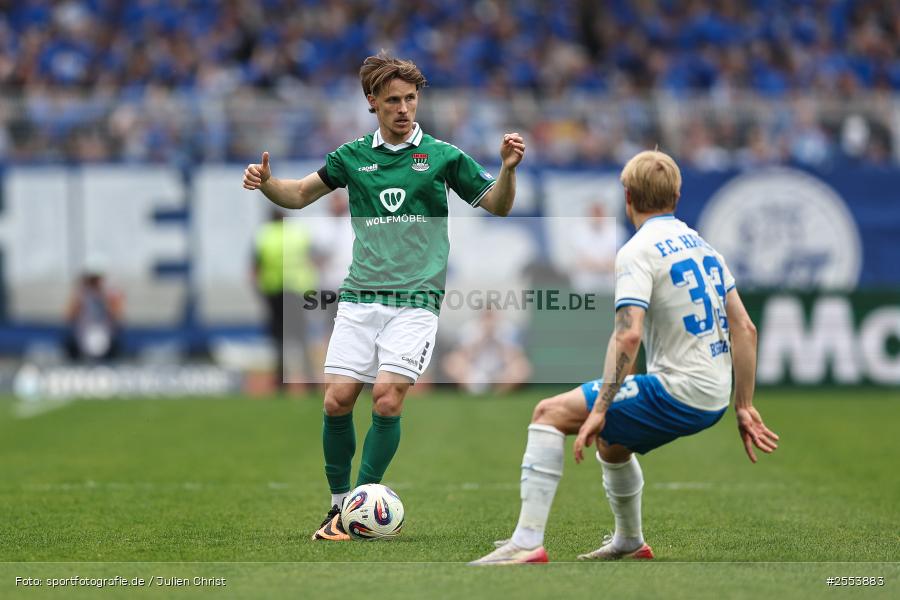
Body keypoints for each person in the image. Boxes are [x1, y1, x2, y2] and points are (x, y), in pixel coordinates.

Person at [242, 53, 525, 541]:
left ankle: (359, 505)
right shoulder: (351, 156)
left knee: (388, 398)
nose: (404, 108)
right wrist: (267, 184)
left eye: (411, 99)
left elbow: (497, 205)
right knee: (336, 401)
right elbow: (297, 195)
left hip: (416, 301)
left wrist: (507, 169)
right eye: (393, 100)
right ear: (372, 102)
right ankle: (337, 506)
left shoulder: (442, 156)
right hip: (359, 299)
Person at [471, 150, 778, 565]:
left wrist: (600, 406)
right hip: (714, 394)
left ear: (627, 197)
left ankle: (526, 541)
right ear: (678, 194)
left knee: (547, 413)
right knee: (613, 445)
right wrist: (743, 405)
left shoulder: (637, 251)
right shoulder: (705, 248)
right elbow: (745, 328)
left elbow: (629, 334)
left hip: (680, 390)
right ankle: (630, 541)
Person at [252, 208, 318, 392]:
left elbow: (255, 268)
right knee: (301, 337)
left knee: (279, 338)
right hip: (297, 292)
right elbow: (312, 260)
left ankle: (281, 381)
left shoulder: (263, 236)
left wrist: (260, 292)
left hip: (273, 292)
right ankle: (310, 381)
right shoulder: (298, 234)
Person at [442, 309, 532, 394]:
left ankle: (501, 390)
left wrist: (496, 340)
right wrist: (482, 338)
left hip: (501, 371)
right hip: (475, 370)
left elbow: (514, 356)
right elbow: (462, 355)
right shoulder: (469, 328)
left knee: (522, 367)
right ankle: (471, 389)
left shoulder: (508, 329)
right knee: (452, 363)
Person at [64, 262, 124, 362]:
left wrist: (106, 299)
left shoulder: (110, 294)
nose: (94, 283)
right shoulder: (81, 294)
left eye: (96, 279)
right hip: (84, 333)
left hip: (104, 333)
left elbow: (118, 316)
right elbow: (69, 316)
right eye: (92, 280)